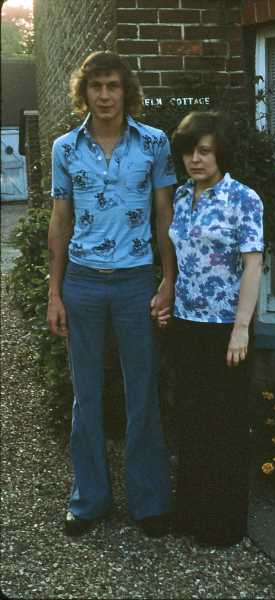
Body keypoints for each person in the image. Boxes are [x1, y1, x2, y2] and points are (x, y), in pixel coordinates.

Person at [47, 51, 176, 538]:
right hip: (81, 282)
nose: (104, 96)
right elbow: (60, 220)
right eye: (96, 86)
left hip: (135, 282)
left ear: (126, 91)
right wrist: (55, 292)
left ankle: (149, 502)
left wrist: (169, 279)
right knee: (86, 395)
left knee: (142, 392)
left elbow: (164, 215)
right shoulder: (65, 148)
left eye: (113, 86)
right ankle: (89, 500)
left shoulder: (154, 143)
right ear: (85, 92)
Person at [165, 111, 264, 547]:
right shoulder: (181, 197)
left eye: (204, 151)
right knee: (191, 420)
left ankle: (223, 524)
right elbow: (180, 259)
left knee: (225, 425)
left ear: (220, 152)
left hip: (226, 329)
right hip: (185, 325)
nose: (196, 159)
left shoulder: (244, 199)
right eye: (189, 151)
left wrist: (242, 328)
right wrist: (166, 296)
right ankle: (191, 513)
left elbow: (253, 266)